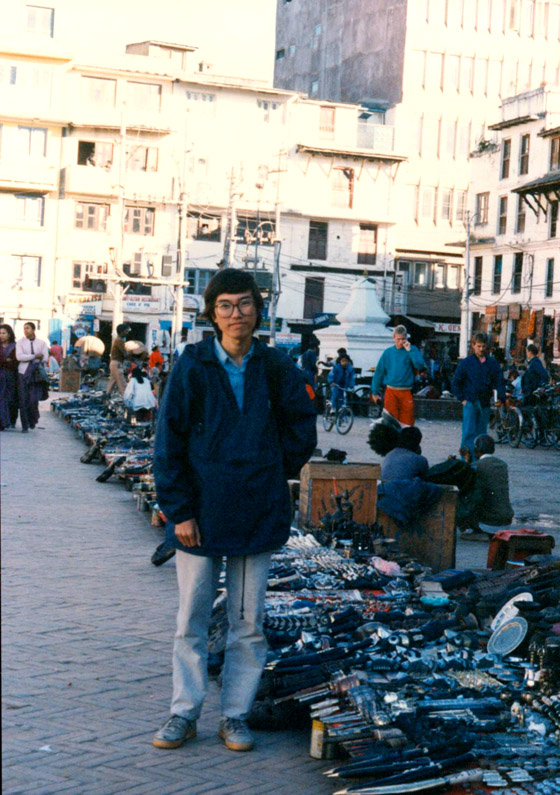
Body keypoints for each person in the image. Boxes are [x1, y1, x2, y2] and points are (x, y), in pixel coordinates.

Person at [152, 268, 316, 754]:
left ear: (257, 310)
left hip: (257, 509)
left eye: (244, 303)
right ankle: (184, 712)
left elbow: (302, 427)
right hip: (200, 514)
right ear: (212, 313)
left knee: (248, 623)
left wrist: (271, 468)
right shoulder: (194, 364)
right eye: (225, 305)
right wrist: (179, 510)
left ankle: (235, 715)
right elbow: (168, 441)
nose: (235, 314)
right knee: (192, 619)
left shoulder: (276, 366)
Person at [451, 332, 505, 456]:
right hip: (470, 401)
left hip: (484, 402)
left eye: (483, 346)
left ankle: (479, 460)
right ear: (473, 345)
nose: (481, 349)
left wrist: (501, 397)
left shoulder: (492, 363)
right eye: (479, 346)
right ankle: (466, 460)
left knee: (482, 434)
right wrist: (462, 399)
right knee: (468, 432)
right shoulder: (466, 363)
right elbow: (455, 382)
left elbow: (499, 381)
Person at [370, 325, 425, 425]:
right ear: (394, 338)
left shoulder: (412, 350)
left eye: (403, 339)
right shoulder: (388, 353)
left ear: (406, 338)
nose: (400, 342)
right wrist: (374, 392)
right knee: (390, 422)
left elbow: (420, 365)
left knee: (407, 423)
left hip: (406, 391)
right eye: (398, 339)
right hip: (391, 391)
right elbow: (379, 372)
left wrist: (410, 351)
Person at [464, 434, 514, 540]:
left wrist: (467, 463)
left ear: (476, 450)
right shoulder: (502, 465)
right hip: (506, 520)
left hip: (489, 522)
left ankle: (475, 530)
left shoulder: (476, 466)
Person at [15, 322, 49, 433]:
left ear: (33, 330)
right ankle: (25, 425)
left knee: (33, 400)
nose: (25, 330)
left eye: (28, 328)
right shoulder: (20, 343)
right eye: (24, 328)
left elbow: (45, 357)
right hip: (23, 373)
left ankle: (33, 420)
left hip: (36, 375)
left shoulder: (41, 343)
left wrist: (30, 357)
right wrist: (34, 356)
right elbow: (19, 357)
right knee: (23, 399)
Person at [0, 324, 18, 430]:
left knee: (10, 398)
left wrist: (4, 361)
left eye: (4, 333)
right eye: (0, 333)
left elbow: (15, 361)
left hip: (11, 376)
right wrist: (5, 360)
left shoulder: (15, 346)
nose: (1, 335)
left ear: (9, 334)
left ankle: (10, 420)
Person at [106, 323, 130, 396]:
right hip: (117, 363)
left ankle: (107, 396)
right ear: (122, 331)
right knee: (122, 383)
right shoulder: (120, 341)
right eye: (126, 331)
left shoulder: (117, 340)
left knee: (112, 382)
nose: (127, 333)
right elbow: (125, 354)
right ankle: (126, 397)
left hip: (113, 363)